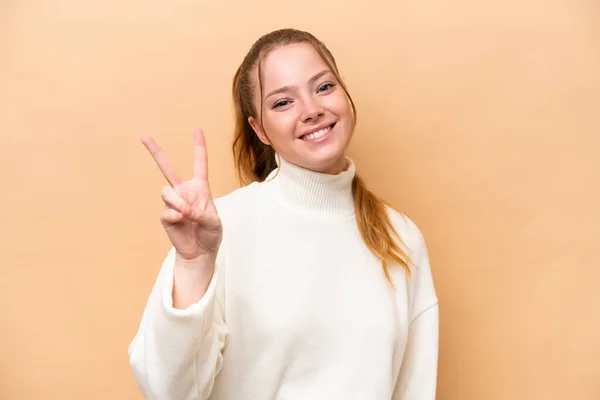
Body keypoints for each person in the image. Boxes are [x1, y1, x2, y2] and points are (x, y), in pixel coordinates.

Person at [128, 28, 439, 400]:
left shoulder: (401, 237)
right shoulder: (219, 230)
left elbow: (414, 388)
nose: (312, 110)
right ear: (259, 130)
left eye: (324, 87)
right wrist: (194, 264)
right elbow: (167, 391)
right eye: (282, 103)